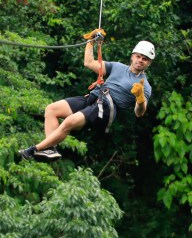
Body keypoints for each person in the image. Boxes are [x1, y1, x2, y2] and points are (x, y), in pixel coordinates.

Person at [18, 29, 154, 162]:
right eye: (138, 56)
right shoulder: (117, 67)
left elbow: (139, 113)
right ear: (132, 56)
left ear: (149, 63)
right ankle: (50, 149)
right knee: (51, 109)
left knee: (69, 121)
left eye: (145, 59)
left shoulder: (145, 86)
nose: (140, 60)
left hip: (106, 108)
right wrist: (91, 41)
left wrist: (140, 98)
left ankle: (34, 149)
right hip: (93, 97)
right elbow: (88, 62)